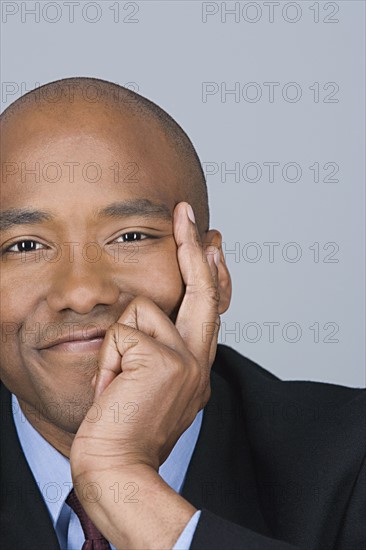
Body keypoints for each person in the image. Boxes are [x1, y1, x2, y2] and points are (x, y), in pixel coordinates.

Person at [0, 77, 364, 550]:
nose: (83, 292)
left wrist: (123, 483)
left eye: (131, 237)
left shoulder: (352, 458)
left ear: (213, 274)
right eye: (25, 246)